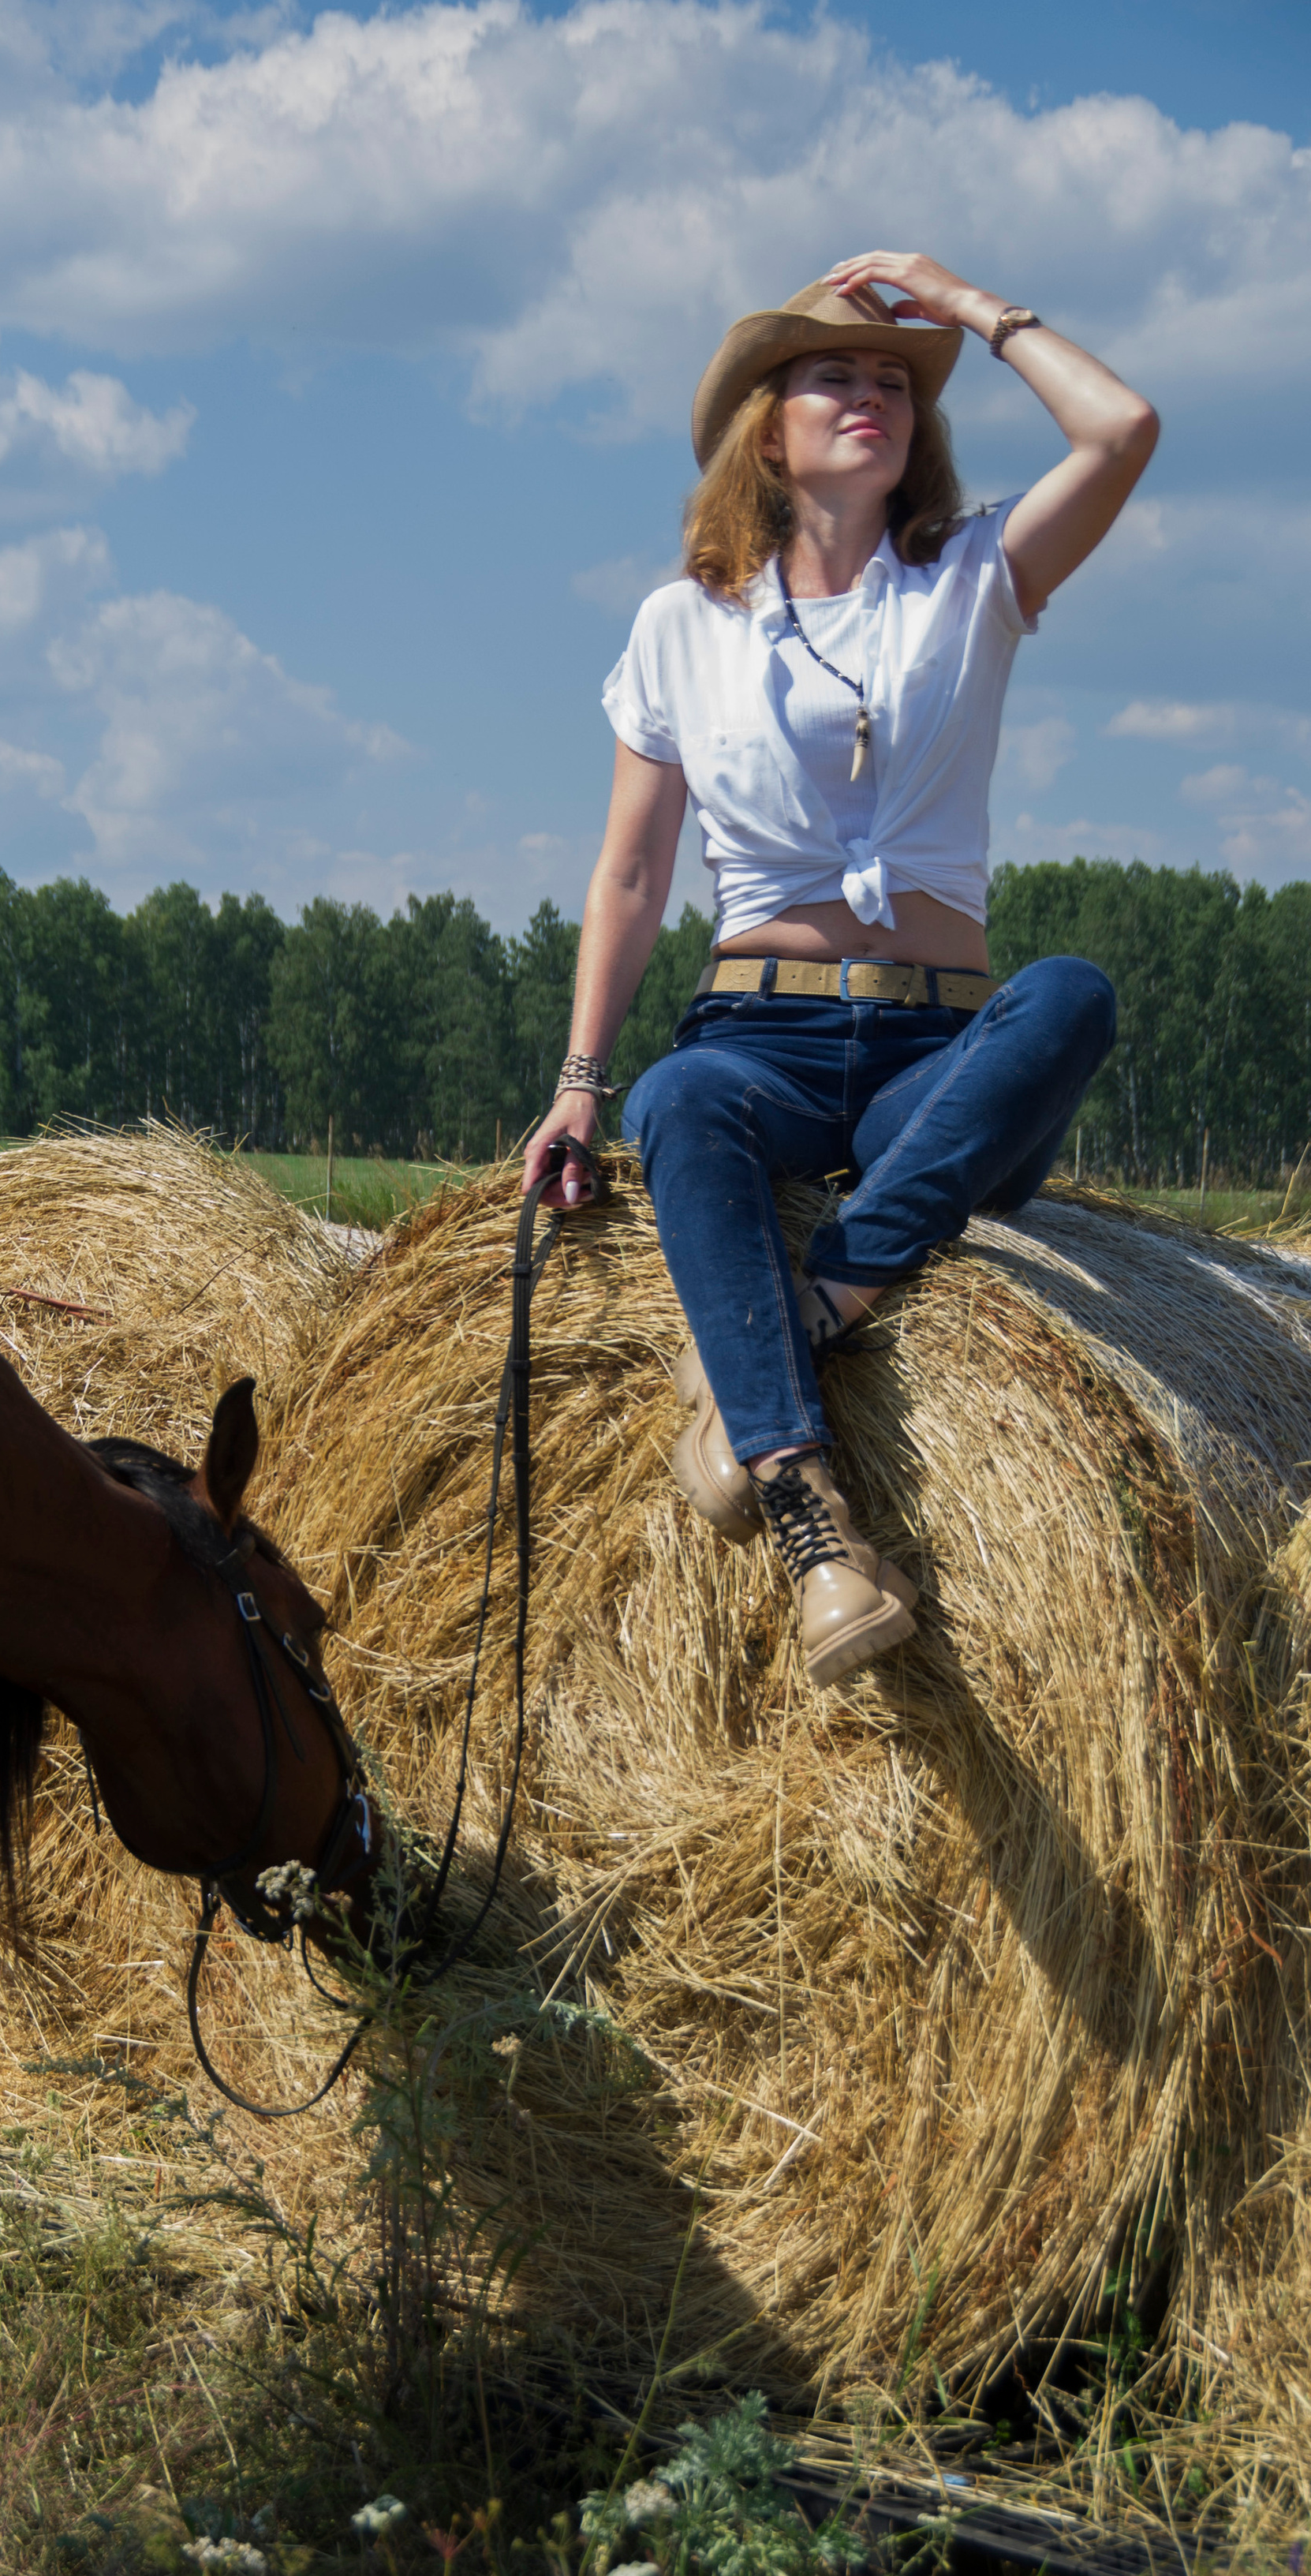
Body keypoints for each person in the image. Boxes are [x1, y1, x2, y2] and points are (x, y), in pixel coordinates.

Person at [521, 254, 1156, 1688]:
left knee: (1071, 997)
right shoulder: (682, 624)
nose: (872, 394)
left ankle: (814, 1308)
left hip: (939, 1055)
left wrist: (969, 307)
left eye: (892, 382)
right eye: (835, 376)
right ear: (767, 425)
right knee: (680, 1101)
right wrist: (578, 1083)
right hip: (762, 1035)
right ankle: (814, 1523)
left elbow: (1122, 432)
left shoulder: (974, 578)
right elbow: (630, 870)